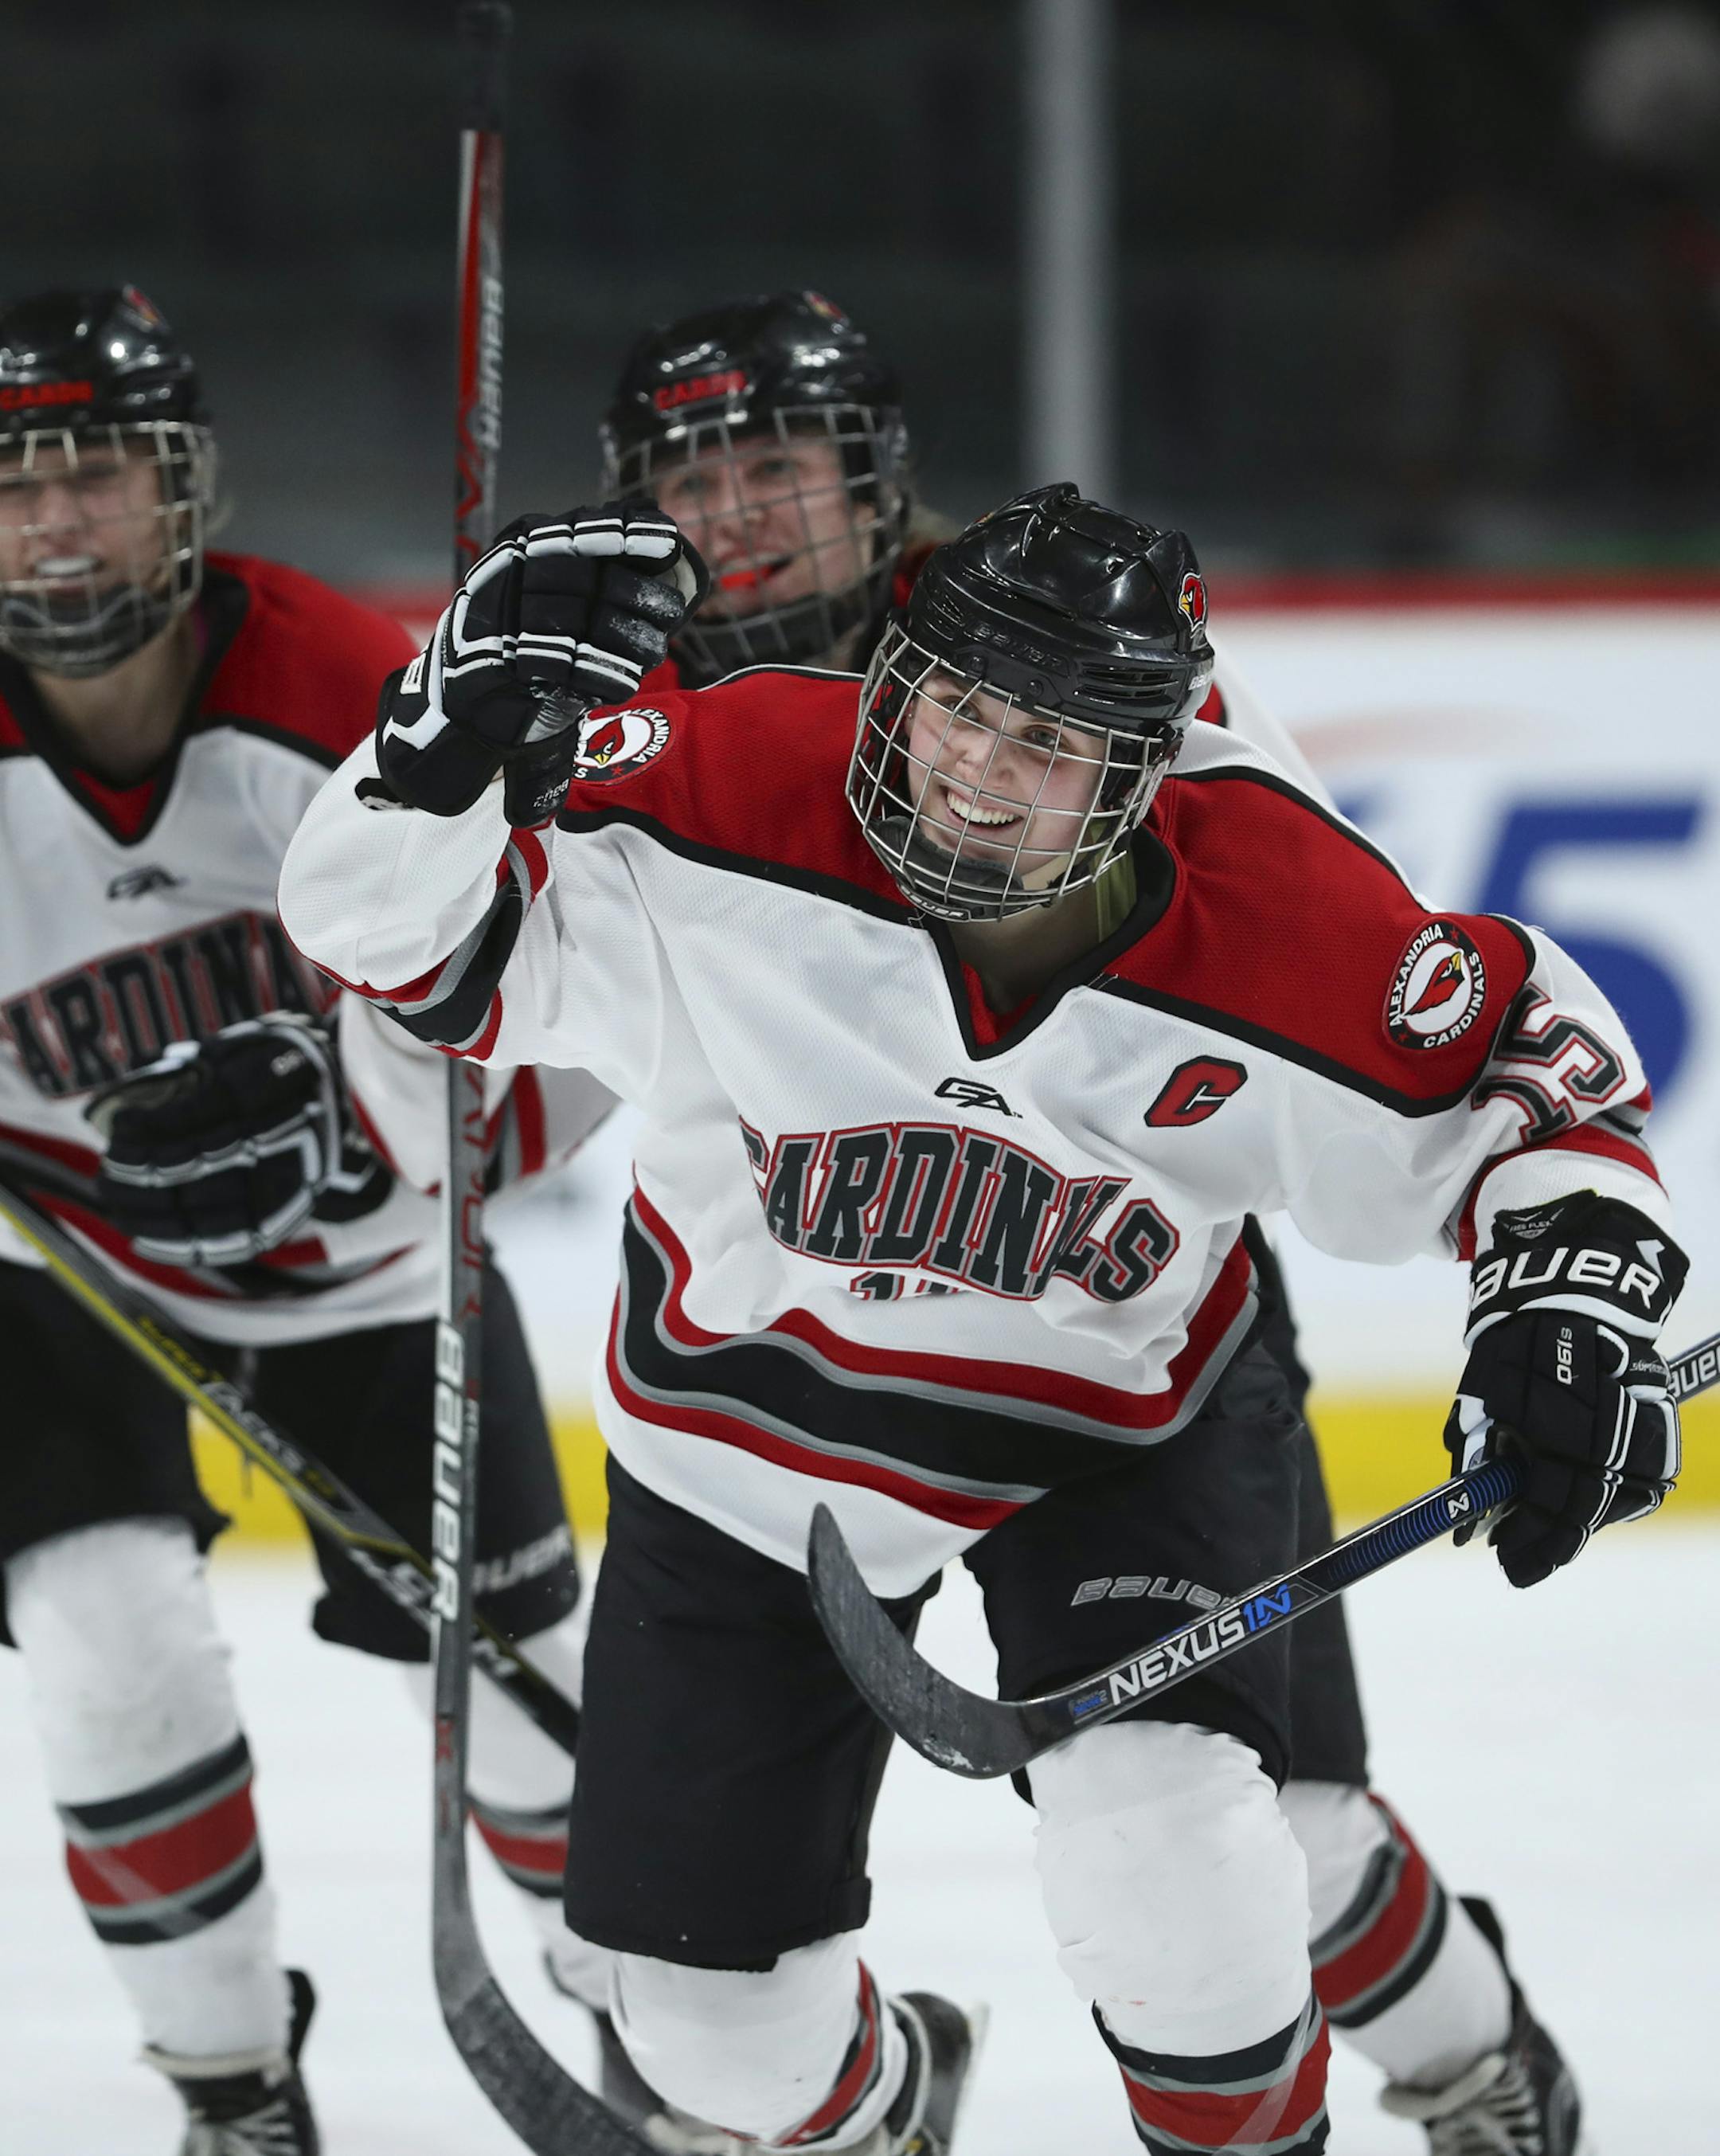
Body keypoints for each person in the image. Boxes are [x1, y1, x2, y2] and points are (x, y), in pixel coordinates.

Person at [280, 483, 1682, 2156]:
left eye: (1043, 739)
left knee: (1180, 1850)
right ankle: (890, 2110)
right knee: (713, 2041)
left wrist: (1568, 1294)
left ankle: (1445, 2069)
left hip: (1113, 1435)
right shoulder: (724, 785)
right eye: (955, 704)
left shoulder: (1272, 908)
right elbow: (409, 949)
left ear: (1145, 769)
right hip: (742, 1443)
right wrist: (436, 745)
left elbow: (1528, 1074)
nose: (970, 764)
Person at [574, 291, 1600, 2150]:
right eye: (692, 476)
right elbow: (531, 1009)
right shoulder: (635, 698)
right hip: (805, 1336)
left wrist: (1546, 1243)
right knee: (729, 1986)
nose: (737, 517)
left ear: (877, 483)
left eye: (780, 466)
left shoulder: (1047, 654)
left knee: (1258, 1843)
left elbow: (1275, 931)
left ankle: (1473, 2060)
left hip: (1109, 1295)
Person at [0, 287, 610, 2155]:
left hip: (379, 1269)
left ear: (182, 489)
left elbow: (579, 1040)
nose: (51, 522)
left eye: (94, 471)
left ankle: (693, 2058)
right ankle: (235, 2091)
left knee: (538, 1724)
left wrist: (378, 1139)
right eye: (11, 484)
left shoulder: (354, 692)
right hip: (61, 1271)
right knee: (109, 1638)